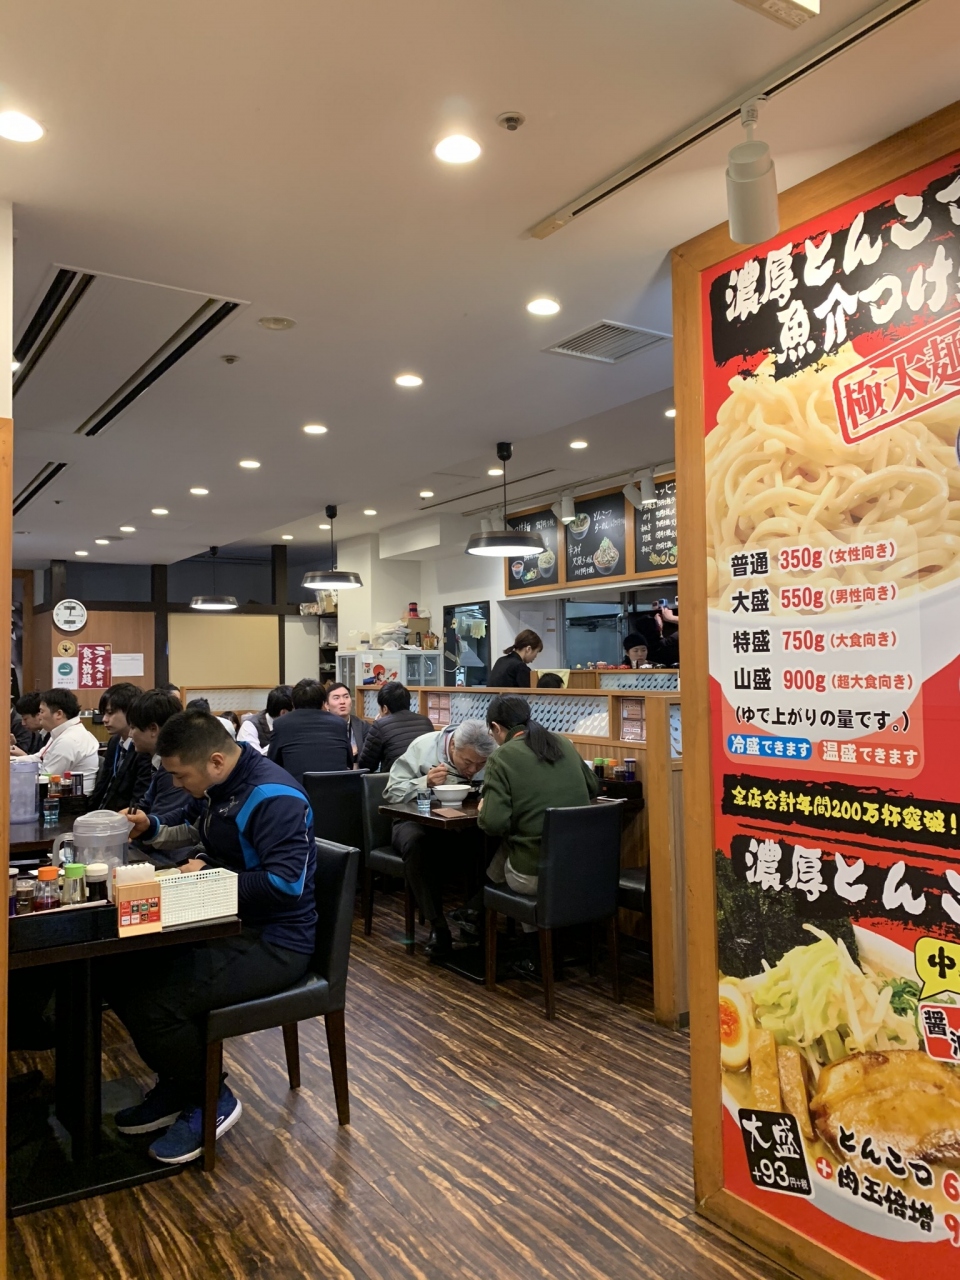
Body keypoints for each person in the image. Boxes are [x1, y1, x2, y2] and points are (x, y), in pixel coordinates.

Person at [112, 710, 316, 1164]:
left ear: (216, 761)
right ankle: (181, 1084)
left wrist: (208, 878)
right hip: (223, 922)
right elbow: (199, 828)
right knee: (121, 972)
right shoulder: (217, 785)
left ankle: (210, 1098)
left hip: (277, 940)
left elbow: (285, 884)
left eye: (180, 776)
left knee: (156, 1002)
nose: (176, 784)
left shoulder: (274, 796)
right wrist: (153, 828)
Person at [384, 719, 496, 956]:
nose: (472, 770)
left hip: (463, 824)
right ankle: (438, 926)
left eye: (481, 764)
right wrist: (425, 782)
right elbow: (391, 792)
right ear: (453, 745)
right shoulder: (424, 747)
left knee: (490, 840)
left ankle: (473, 918)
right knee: (416, 844)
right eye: (467, 762)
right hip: (415, 820)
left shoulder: (492, 757)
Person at [478, 695, 600, 899]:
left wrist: (484, 810)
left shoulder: (501, 757)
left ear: (496, 728)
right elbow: (593, 787)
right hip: (580, 864)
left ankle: (490, 908)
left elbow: (493, 824)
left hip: (535, 874)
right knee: (513, 847)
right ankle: (479, 907)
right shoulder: (563, 742)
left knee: (515, 847)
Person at [126, 688, 194, 828]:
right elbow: (146, 804)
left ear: (153, 729)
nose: (130, 734)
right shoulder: (158, 762)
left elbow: (163, 823)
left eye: (133, 727)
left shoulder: (176, 768)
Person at [266, 678, 351, 783]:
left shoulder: (281, 724)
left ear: (293, 703)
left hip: (296, 789)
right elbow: (349, 761)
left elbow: (272, 763)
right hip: (336, 788)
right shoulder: (340, 723)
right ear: (323, 703)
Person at [87, 683, 154, 812]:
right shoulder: (115, 742)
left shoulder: (143, 747)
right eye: (103, 714)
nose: (104, 719)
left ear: (131, 712)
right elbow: (102, 786)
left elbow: (138, 799)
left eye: (110, 713)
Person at [10, 689, 100, 778]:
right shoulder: (62, 732)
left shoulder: (69, 740)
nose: (39, 717)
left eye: (41, 712)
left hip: (66, 787)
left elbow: (47, 776)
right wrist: (9, 761)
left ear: (59, 714)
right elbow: (39, 758)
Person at [355, 681, 434, 773]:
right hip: (425, 778)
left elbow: (366, 765)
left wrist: (378, 724)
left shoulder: (380, 726)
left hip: (394, 779)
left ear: (385, 709)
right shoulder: (426, 722)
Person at [237, 685, 293, 753]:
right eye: (295, 711)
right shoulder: (249, 726)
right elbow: (253, 757)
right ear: (283, 713)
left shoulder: (295, 725)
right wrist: (279, 741)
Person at [324, 682, 369, 764]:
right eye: (336, 698)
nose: (342, 702)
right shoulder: (322, 727)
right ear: (327, 705)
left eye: (346, 697)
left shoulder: (363, 726)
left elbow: (369, 755)